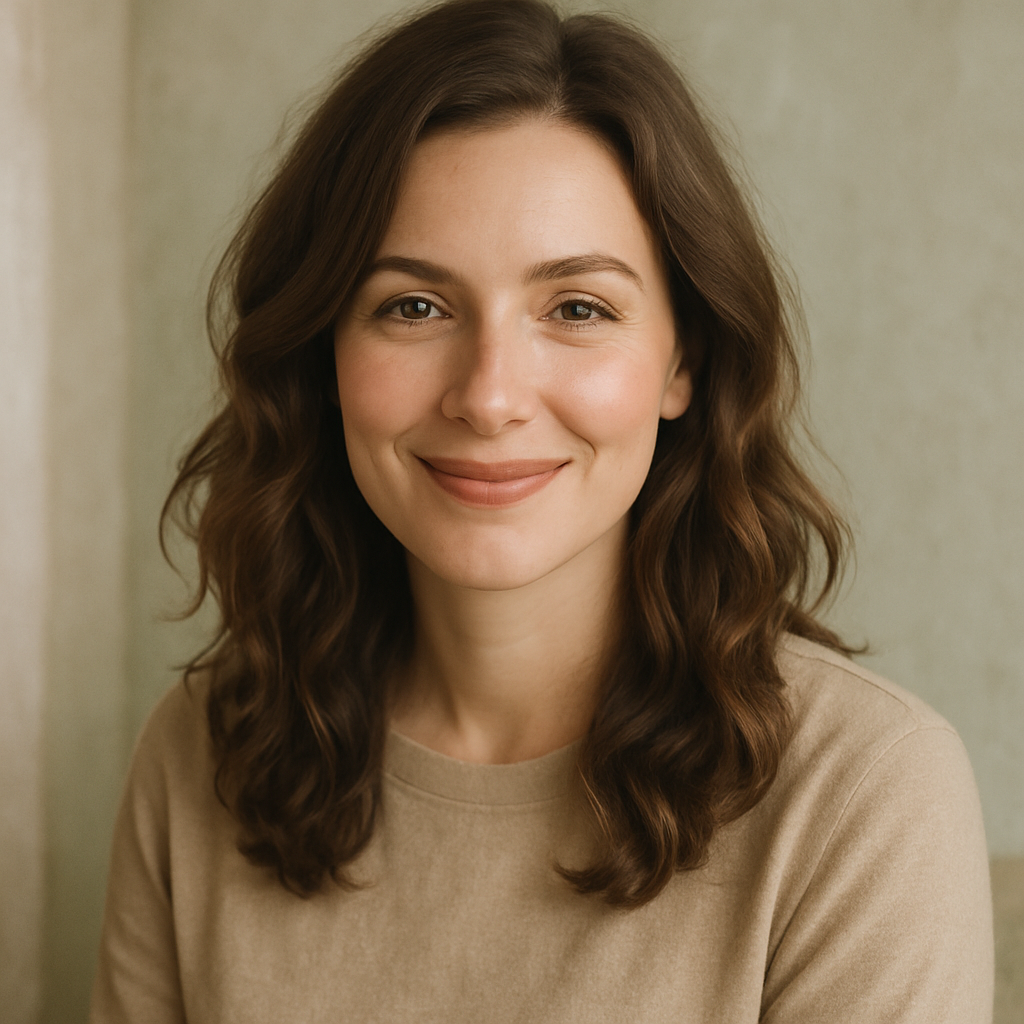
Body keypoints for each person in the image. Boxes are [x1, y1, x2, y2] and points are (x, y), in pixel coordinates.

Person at [89, 1, 993, 1020]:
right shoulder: (204, 751)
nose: (488, 394)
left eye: (577, 309)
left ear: (681, 359)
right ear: (323, 355)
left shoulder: (865, 793)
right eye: (412, 306)